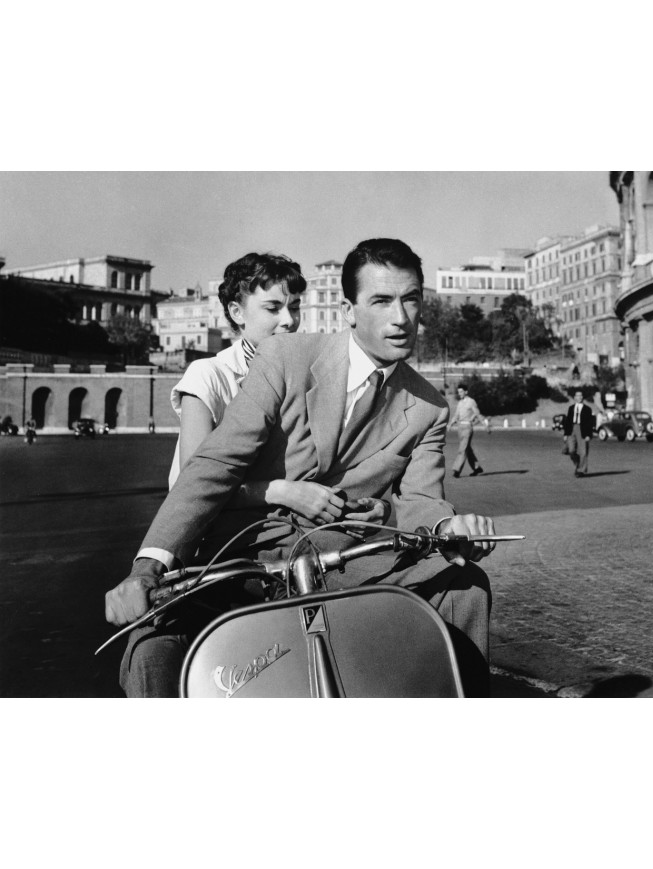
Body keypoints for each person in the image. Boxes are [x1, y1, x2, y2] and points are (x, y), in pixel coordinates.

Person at [106, 238, 498, 698]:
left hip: (348, 561)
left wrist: (448, 525)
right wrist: (147, 567)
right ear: (349, 310)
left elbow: (422, 501)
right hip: (245, 554)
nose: (400, 317)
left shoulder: (430, 406)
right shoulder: (286, 356)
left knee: (465, 587)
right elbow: (216, 463)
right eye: (381, 301)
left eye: (411, 299)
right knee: (153, 641)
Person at [168, 252, 388, 527]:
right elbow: (192, 486)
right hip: (212, 539)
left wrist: (369, 504)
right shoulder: (208, 374)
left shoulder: (310, 373)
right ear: (237, 312)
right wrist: (284, 492)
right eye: (273, 308)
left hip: (286, 536)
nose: (289, 320)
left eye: (294, 307)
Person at [450, 383, 490, 478]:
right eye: (458, 392)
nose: (459, 393)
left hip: (467, 427)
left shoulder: (471, 402)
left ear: (466, 392)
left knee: (462, 449)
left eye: (461, 392)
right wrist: (451, 423)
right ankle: (476, 468)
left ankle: (457, 470)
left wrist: (485, 425)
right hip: (460, 428)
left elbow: (478, 414)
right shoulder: (460, 403)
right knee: (467, 449)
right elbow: (456, 415)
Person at [562, 389, 594, 477]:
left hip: (582, 430)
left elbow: (590, 423)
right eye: (577, 395)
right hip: (572, 429)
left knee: (583, 451)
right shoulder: (571, 408)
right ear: (574, 397)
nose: (579, 397)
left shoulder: (587, 409)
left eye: (581, 395)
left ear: (583, 397)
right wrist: (565, 434)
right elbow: (567, 422)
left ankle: (581, 470)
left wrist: (588, 435)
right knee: (571, 450)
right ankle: (578, 462)